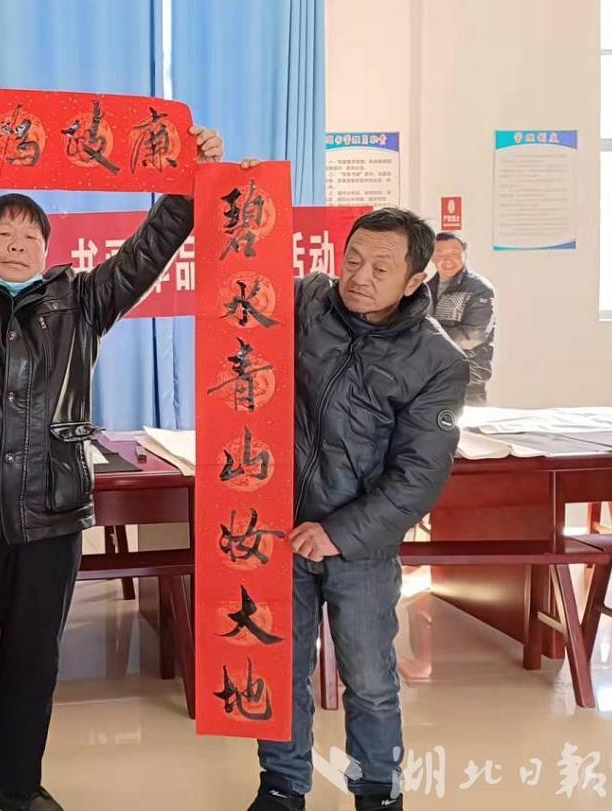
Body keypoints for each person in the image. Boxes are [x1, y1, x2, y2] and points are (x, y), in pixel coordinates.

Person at [0, 88, 236, 811]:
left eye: (30, 234)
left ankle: (18, 788)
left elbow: (147, 253)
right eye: (1, 232)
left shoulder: (81, 302)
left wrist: (192, 185)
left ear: (48, 249)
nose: (15, 242)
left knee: (34, 664)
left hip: (51, 517)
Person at [248, 209, 469, 811]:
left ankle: (377, 790)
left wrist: (339, 533)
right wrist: (227, 187)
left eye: (380, 268)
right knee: (280, 667)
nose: (359, 277)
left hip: (361, 546)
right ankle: (281, 784)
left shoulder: (438, 361)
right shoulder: (304, 302)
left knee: (369, 679)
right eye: (352, 260)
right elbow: (235, 286)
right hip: (278, 531)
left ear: (415, 279)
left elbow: (420, 476)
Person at [428, 232, 496, 405]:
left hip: (468, 379)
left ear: (465, 254)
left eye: (454, 253)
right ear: (431, 258)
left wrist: (427, 337)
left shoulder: (479, 288)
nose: (447, 260)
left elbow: (473, 335)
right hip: (433, 378)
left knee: (470, 423)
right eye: (440, 254)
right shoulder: (425, 290)